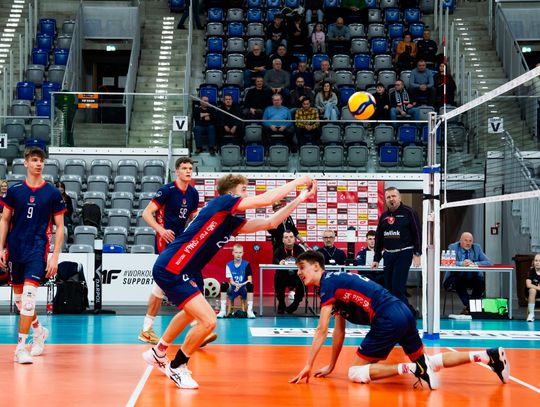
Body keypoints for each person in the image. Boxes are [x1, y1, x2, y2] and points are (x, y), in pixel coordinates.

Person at [143, 174, 316, 389]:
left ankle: (158, 352)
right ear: (231, 192)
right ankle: (177, 366)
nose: (246, 194)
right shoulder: (222, 202)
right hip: (173, 267)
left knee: (191, 313)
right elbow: (265, 201)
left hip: (182, 269)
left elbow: (270, 222)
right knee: (208, 321)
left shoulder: (229, 221)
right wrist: (298, 181)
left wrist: (300, 198)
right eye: (243, 190)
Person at [289, 251, 510, 389]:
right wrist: (331, 365)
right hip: (402, 312)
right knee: (427, 361)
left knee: (355, 373)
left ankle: (414, 369)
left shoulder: (327, 283)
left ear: (316, 266)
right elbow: (339, 331)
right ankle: (487, 356)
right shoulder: (335, 283)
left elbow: (321, 330)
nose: (299, 273)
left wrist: (308, 365)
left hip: (386, 317)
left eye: (302, 267)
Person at [0, 147, 66, 364]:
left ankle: (20, 348)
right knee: (20, 300)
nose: (39, 164)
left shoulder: (52, 193)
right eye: (35, 160)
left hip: (37, 250)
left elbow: (60, 226)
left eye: (41, 161)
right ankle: (39, 331)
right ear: (26, 163)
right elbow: (5, 219)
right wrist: (1, 248)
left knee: (29, 300)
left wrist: (55, 256)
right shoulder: (15, 190)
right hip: (15, 249)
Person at [138, 157, 200, 344]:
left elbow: (192, 217)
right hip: (166, 241)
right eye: (184, 168)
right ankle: (196, 324)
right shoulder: (167, 190)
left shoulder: (193, 193)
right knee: (172, 279)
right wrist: (161, 230)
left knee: (164, 283)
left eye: (190, 168)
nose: (188, 171)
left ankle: (147, 329)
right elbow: (146, 213)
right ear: (177, 171)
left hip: (181, 241)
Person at [372, 187, 421, 314]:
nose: (391, 199)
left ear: (399, 197)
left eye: (394, 196)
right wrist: (376, 258)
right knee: (389, 288)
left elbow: (417, 233)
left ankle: (407, 314)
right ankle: (405, 312)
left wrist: (417, 253)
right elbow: (379, 237)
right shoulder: (384, 216)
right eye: (388, 197)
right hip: (388, 254)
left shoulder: (409, 212)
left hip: (404, 253)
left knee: (397, 288)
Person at [443, 232, 493, 315]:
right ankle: (471, 307)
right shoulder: (453, 247)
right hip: (456, 277)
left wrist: (474, 263)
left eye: (470, 241)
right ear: (460, 241)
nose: (468, 243)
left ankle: (469, 309)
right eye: (466, 240)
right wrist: (461, 263)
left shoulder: (476, 248)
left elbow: (489, 262)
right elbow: (446, 262)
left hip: (471, 277)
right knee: (458, 281)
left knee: (480, 283)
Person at [216, 244, 256, 318]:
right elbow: (231, 281)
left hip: (243, 287)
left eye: (240, 252)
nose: (238, 254)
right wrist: (236, 284)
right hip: (233, 287)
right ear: (233, 253)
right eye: (236, 252)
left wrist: (240, 284)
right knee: (224, 284)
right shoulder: (229, 265)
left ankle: (250, 311)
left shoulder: (246, 264)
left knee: (250, 285)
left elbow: (249, 280)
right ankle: (223, 311)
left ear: (243, 253)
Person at [273, 230, 306, 314]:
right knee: (277, 279)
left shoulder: (299, 249)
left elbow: (305, 261)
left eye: (291, 237)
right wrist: (279, 262)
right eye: (286, 237)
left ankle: (295, 304)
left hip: (296, 276)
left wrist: (300, 263)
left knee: (303, 281)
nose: (289, 239)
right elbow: (274, 260)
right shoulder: (279, 249)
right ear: (283, 240)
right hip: (283, 276)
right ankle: (281, 303)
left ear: (294, 239)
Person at [526, 253, 540, 322]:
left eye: (539, 261)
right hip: (531, 293)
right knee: (532, 290)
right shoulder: (530, 271)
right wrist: (538, 288)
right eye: (536, 260)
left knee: (533, 288)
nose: (537, 262)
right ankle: (531, 314)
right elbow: (528, 284)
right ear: (533, 262)